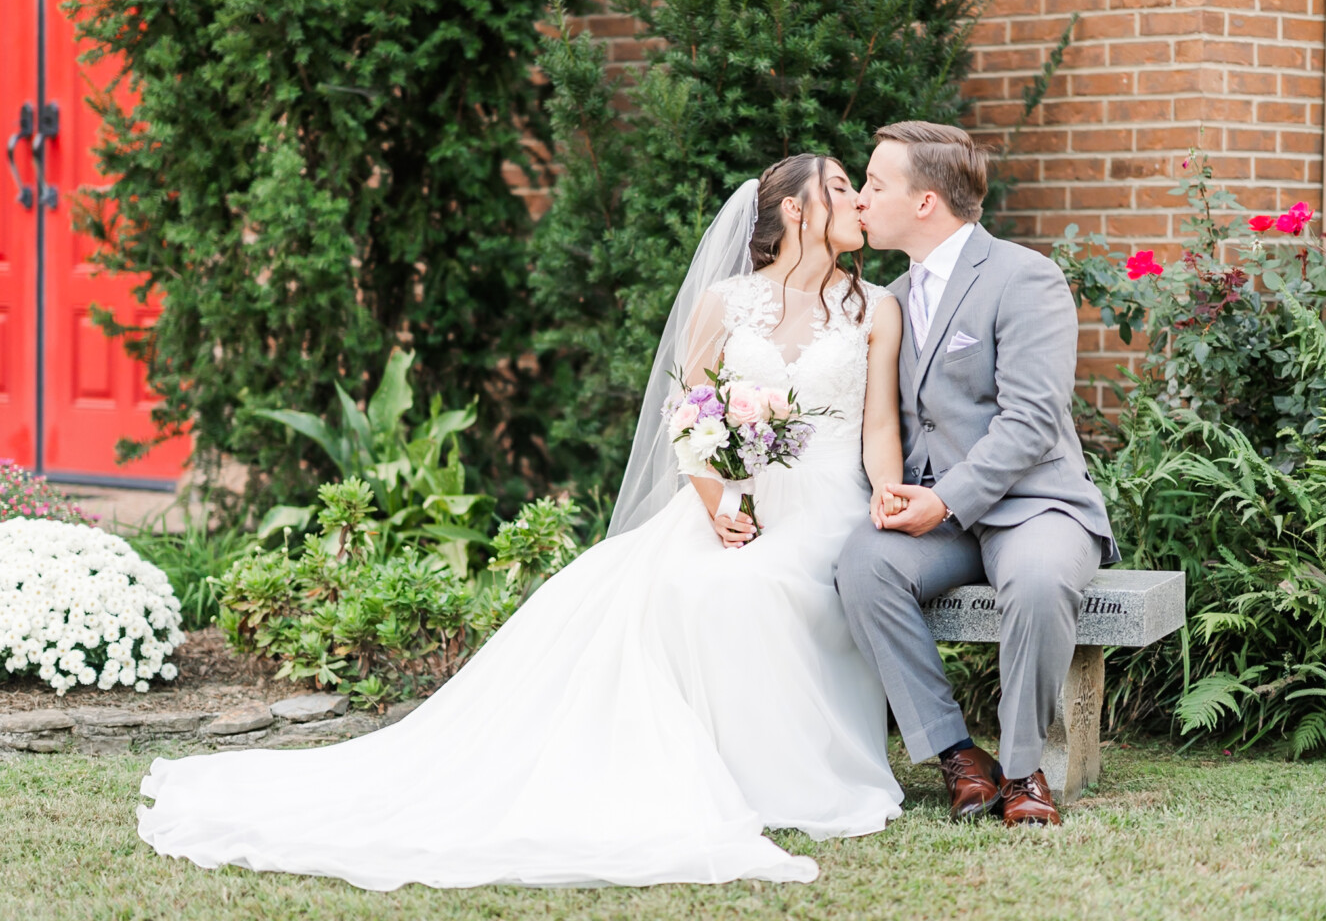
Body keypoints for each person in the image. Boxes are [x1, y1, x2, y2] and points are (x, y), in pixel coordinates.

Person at [136, 154, 906, 890]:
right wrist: (716, 501)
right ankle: (685, 769)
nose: (860, 202)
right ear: (798, 210)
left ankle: (786, 776)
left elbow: (877, 430)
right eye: (844, 187)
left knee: (749, 589)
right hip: (729, 498)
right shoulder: (727, 302)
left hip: (826, 501)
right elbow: (689, 413)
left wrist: (892, 493)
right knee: (655, 586)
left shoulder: (876, 307)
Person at [835, 122, 1119, 828]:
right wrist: (895, 492)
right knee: (863, 564)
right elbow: (892, 422)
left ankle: (1024, 772)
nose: (863, 199)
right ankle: (959, 757)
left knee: (1040, 579)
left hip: (1035, 505)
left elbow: (1029, 420)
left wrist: (945, 499)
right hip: (945, 517)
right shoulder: (891, 296)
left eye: (875, 184)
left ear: (926, 201)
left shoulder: (1027, 277)